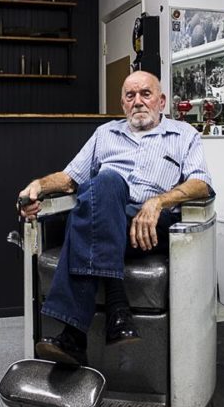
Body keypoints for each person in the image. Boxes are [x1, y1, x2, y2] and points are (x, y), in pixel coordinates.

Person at [18, 71, 213, 365]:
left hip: (150, 227)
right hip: (108, 218)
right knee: (106, 183)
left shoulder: (184, 135)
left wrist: (157, 201)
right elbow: (71, 178)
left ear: (161, 101)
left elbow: (202, 183)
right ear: (122, 104)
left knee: (89, 207)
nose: (138, 102)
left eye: (145, 94)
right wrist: (38, 185)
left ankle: (74, 332)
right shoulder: (105, 133)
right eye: (130, 96)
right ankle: (117, 311)